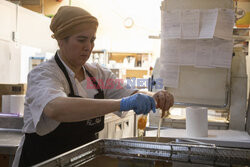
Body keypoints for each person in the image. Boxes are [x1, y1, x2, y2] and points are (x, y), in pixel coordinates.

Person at [12, 6, 174, 167]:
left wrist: (154, 96)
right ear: (61, 40)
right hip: (44, 161)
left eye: (92, 40)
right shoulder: (44, 74)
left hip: (81, 160)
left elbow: (129, 92)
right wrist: (122, 103)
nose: (88, 47)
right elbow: (55, 108)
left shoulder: (97, 75)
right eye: (81, 40)